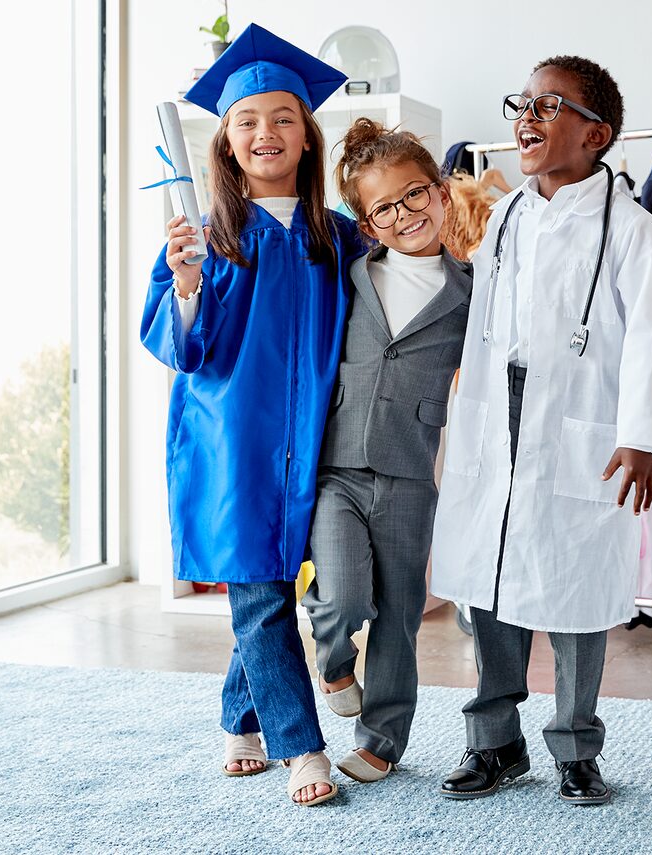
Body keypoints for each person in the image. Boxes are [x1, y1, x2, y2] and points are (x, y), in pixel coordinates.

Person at [430, 56, 652, 805]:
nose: (527, 117)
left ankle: (576, 747)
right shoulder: (505, 215)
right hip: (493, 410)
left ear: (595, 134)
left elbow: (650, 337)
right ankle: (493, 741)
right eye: (524, 103)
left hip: (580, 415)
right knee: (489, 578)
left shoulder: (633, 231)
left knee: (573, 586)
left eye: (549, 105)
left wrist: (641, 433)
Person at [140, 23, 364, 807]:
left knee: (275, 583)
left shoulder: (338, 238)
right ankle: (301, 747)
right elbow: (180, 347)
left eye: (282, 118)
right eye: (247, 121)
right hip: (231, 442)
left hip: (316, 438)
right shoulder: (204, 237)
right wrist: (187, 281)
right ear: (227, 145)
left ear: (308, 138)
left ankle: (239, 717)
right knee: (261, 588)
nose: (265, 132)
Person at [302, 119, 472, 783]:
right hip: (338, 466)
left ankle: (382, 740)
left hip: (410, 470)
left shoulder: (471, 289)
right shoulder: (349, 277)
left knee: (401, 612)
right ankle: (335, 658)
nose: (404, 214)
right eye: (384, 207)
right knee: (341, 593)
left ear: (440, 193)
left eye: (414, 195)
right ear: (367, 222)